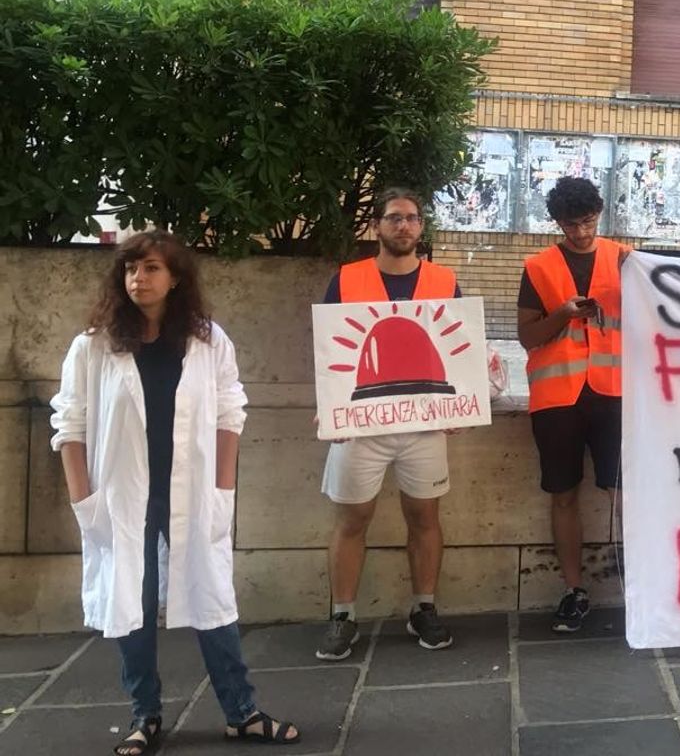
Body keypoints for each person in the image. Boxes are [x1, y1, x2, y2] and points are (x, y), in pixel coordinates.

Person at [51, 231, 300, 754]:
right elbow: (69, 424)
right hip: (122, 498)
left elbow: (231, 411)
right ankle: (145, 716)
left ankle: (242, 711)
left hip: (191, 493)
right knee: (132, 605)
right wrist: (83, 500)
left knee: (213, 600)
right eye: (131, 270)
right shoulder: (94, 345)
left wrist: (222, 487)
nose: (138, 278)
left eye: (151, 268)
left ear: (176, 278)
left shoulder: (208, 341)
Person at [316, 187, 460, 660]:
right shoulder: (347, 279)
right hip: (359, 424)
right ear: (377, 226)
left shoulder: (443, 279)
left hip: (423, 426)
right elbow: (329, 350)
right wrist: (330, 406)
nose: (405, 226)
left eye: (413, 218)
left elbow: (456, 347)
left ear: (422, 228)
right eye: (395, 218)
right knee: (352, 518)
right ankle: (342, 616)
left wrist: (460, 406)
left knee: (425, 517)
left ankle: (424, 607)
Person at [517, 176, 627, 633]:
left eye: (587, 221)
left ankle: (636, 586)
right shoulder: (538, 266)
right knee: (563, 495)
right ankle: (574, 589)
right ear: (557, 222)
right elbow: (526, 338)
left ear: (598, 213)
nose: (581, 232)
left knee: (622, 492)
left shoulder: (625, 258)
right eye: (570, 224)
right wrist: (562, 313)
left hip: (615, 392)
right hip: (557, 399)